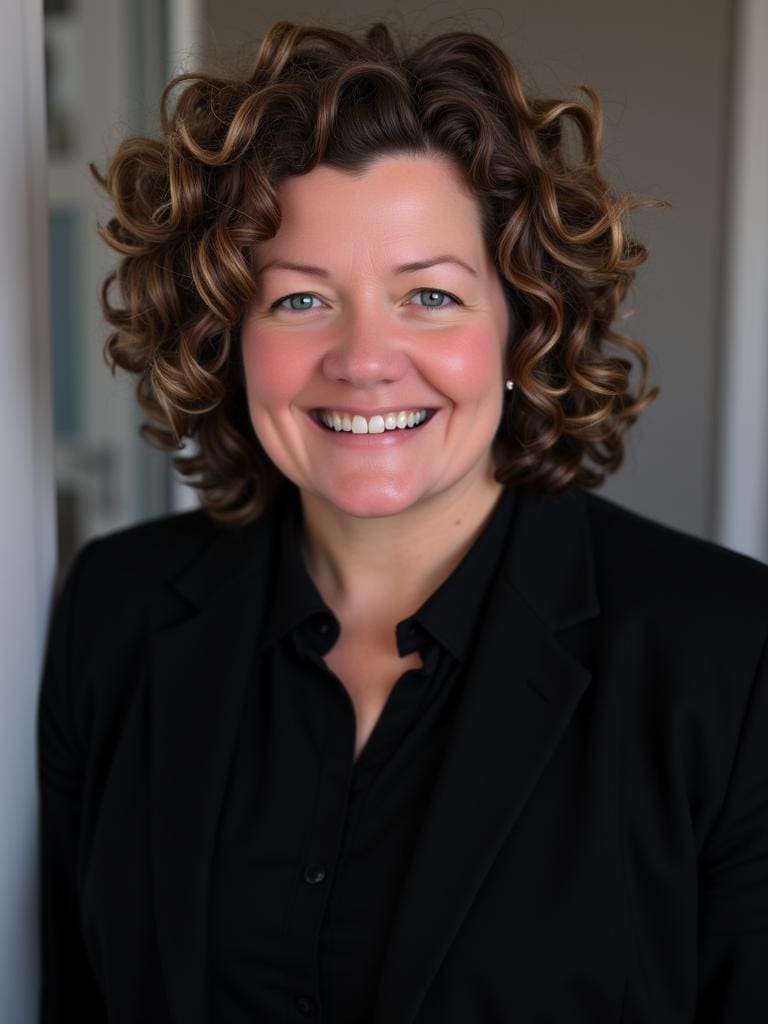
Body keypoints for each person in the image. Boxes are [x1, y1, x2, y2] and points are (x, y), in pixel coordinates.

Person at [38, 20, 768, 1024]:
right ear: (226, 337)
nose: (365, 357)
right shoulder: (113, 611)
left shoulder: (729, 654)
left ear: (524, 323)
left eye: (429, 294)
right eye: (299, 301)